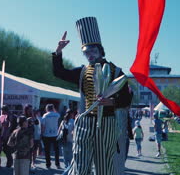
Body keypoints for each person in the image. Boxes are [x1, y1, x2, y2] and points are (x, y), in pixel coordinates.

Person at [52, 17, 133, 175]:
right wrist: (58, 51)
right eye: (85, 52)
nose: (89, 55)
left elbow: (126, 99)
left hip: (107, 123)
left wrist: (111, 102)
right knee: (80, 166)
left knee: (104, 167)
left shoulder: (116, 72)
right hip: (85, 121)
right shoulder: (82, 72)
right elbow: (59, 72)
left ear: (101, 50)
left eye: (92, 51)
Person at [41, 104, 61, 169]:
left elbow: (43, 126)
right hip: (55, 134)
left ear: (47, 109)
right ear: (53, 108)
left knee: (47, 150)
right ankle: (57, 164)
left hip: (46, 134)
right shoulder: (56, 115)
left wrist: (42, 133)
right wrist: (54, 109)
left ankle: (48, 164)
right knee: (56, 150)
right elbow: (58, 115)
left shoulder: (45, 115)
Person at [59, 109, 74, 173]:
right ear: (71, 114)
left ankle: (65, 171)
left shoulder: (63, 121)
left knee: (65, 159)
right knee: (71, 160)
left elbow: (59, 131)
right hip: (70, 141)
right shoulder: (73, 121)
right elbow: (74, 132)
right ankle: (68, 172)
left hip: (63, 141)